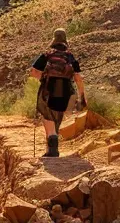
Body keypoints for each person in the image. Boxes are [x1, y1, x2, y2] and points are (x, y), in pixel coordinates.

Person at [30, 28, 86, 158]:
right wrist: (82, 96)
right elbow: (78, 78)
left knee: (47, 115)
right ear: (65, 39)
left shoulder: (47, 54)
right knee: (57, 116)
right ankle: (51, 147)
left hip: (48, 89)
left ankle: (52, 147)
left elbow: (33, 72)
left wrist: (43, 78)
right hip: (66, 91)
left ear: (54, 39)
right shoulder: (70, 56)